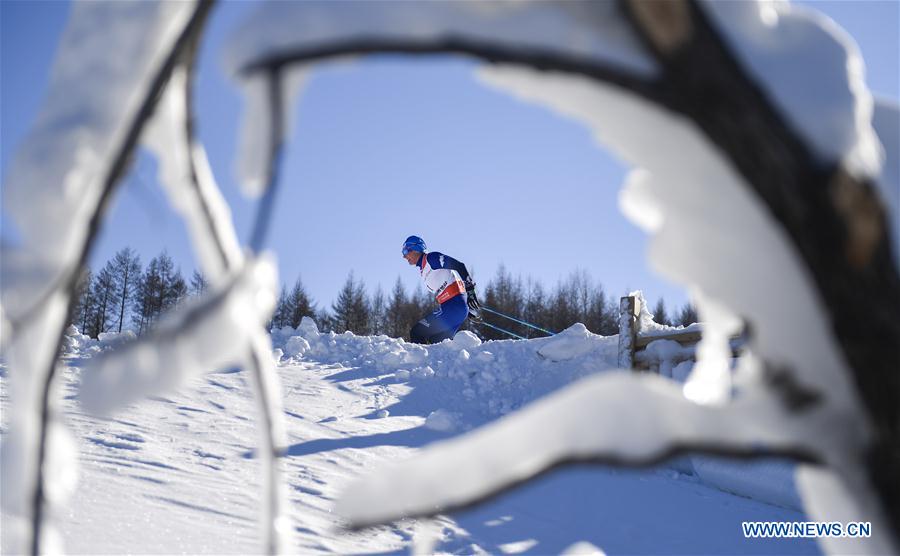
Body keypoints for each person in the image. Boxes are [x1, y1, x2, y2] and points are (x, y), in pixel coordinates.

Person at [402, 235, 480, 344]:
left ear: (416, 249)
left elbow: (459, 266)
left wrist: (470, 291)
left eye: (405, 251)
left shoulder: (431, 258)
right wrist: (466, 305)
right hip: (453, 308)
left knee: (416, 332)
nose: (404, 256)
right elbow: (451, 283)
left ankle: (421, 360)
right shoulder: (423, 270)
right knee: (437, 342)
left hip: (453, 308)